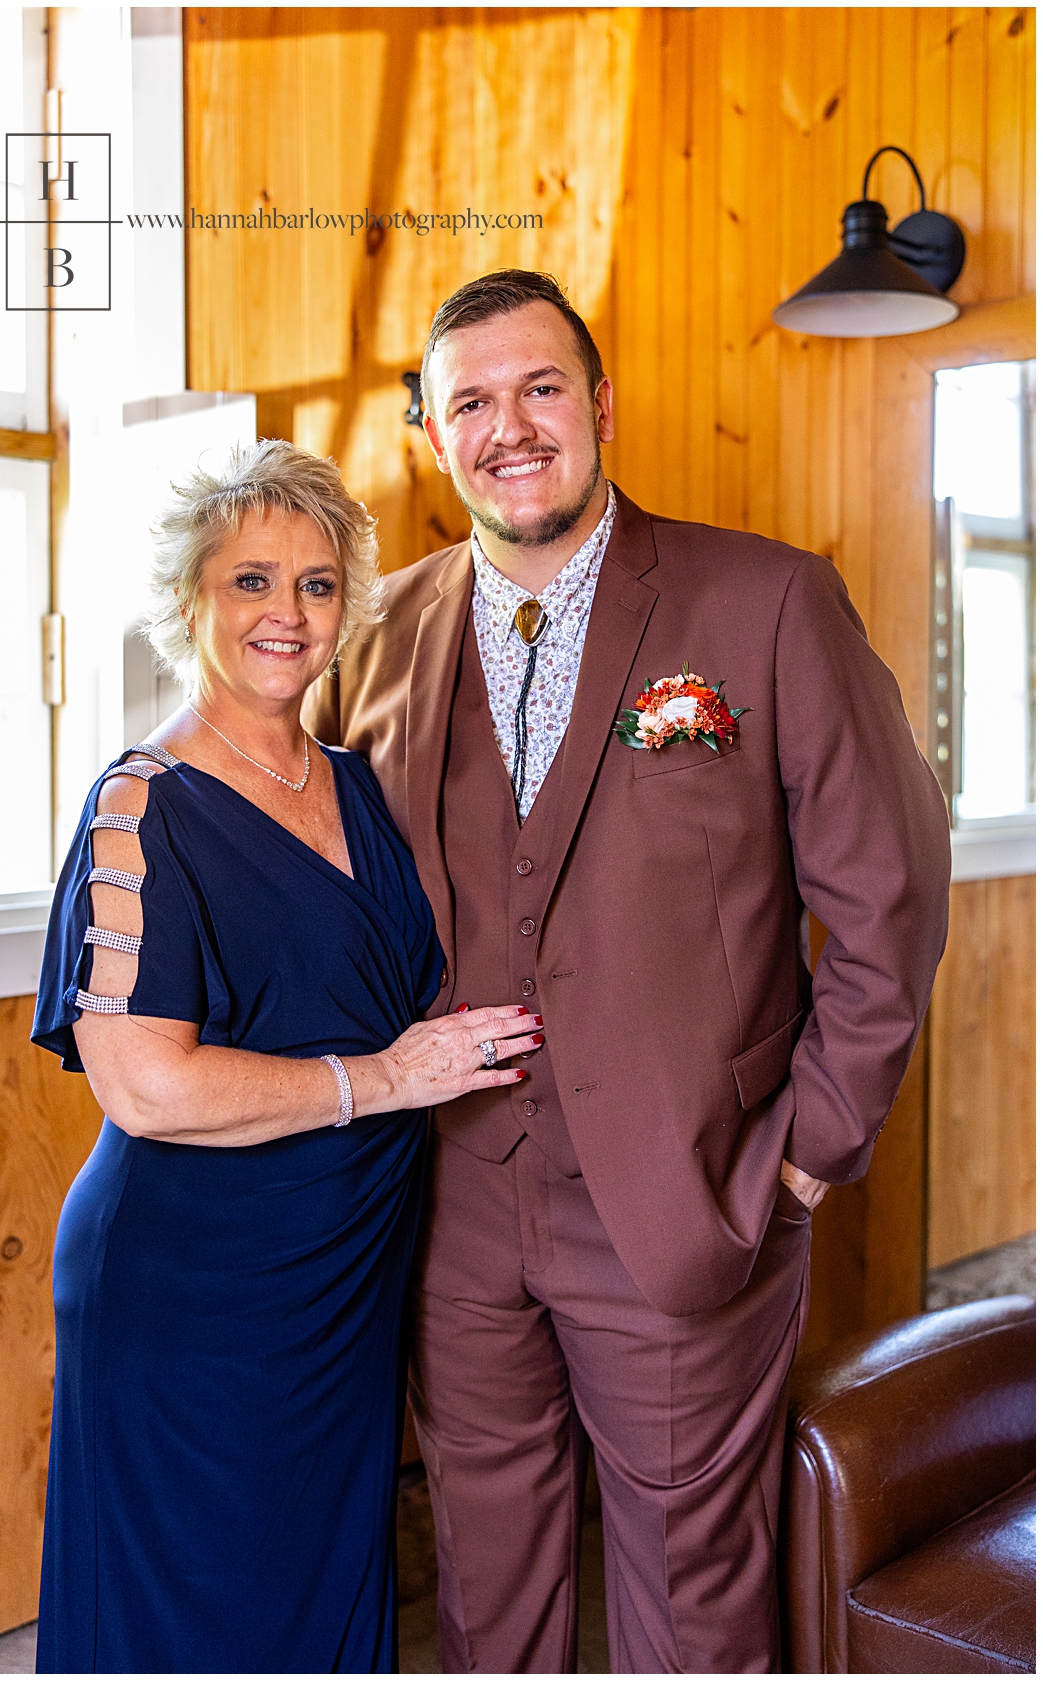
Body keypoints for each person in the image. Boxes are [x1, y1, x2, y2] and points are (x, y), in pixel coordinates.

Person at [306, 268, 953, 1673]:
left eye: (541, 388)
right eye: (470, 401)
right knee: (486, 1583)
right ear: (433, 436)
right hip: (453, 1201)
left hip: (693, 1185)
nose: (510, 427)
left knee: (693, 1599)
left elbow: (890, 892)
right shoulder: (380, 634)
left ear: (600, 405)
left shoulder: (768, 603)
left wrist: (811, 1149)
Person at [31, 439, 537, 1673]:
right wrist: (386, 1079)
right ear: (191, 599)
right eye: (250, 581)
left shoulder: (362, 787)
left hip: (343, 1275)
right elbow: (145, 1086)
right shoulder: (139, 803)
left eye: (316, 584)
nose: (286, 613)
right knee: (198, 1609)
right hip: (188, 1281)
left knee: (321, 1582)